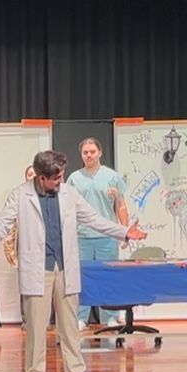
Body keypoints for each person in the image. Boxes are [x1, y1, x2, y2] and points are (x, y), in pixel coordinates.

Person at [0, 150, 146, 372]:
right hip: (37, 268)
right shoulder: (20, 195)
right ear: (42, 178)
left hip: (65, 268)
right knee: (36, 327)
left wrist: (124, 232)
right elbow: (3, 220)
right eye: (56, 178)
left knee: (70, 326)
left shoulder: (69, 194)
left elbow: (94, 219)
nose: (61, 181)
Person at [67, 138, 129, 330]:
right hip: (82, 236)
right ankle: (81, 318)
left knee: (108, 277)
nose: (89, 155)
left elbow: (121, 206)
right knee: (82, 279)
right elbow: (67, 209)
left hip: (107, 237)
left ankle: (111, 316)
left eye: (92, 151)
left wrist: (125, 232)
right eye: (85, 152)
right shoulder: (74, 178)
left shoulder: (112, 176)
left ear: (100, 153)